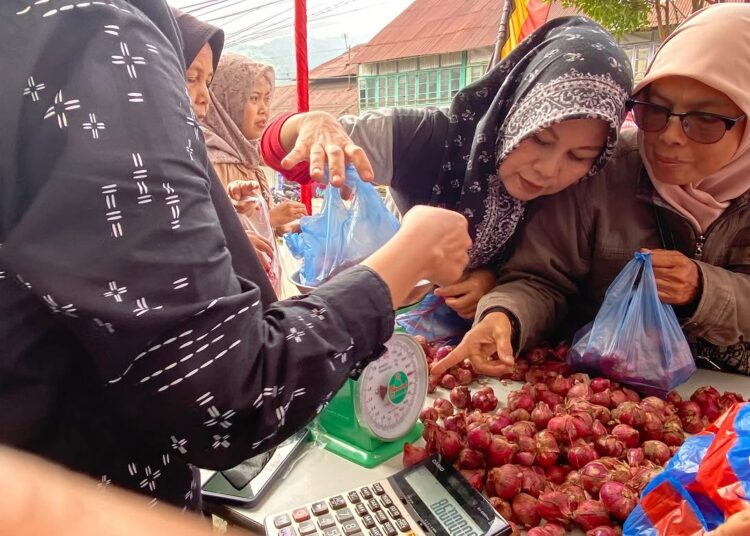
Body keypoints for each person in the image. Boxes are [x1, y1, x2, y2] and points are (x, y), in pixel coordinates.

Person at [0, 0, 471, 509]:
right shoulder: (94, 39)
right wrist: (406, 258)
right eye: (188, 77)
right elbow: (223, 397)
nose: (196, 96)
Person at [432, 3, 750, 379]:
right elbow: (540, 280)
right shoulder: (600, 170)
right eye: (655, 109)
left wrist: (703, 290)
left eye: (706, 120)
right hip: (601, 394)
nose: (669, 136)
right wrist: (504, 318)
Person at [261, 16, 633, 320]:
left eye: (579, 156)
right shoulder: (429, 138)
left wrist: (492, 281)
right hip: (385, 326)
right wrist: (313, 123)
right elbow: (285, 154)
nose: (550, 170)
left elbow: (549, 279)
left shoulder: (577, 193)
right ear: (515, 109)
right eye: (540, 139)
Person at [172, 8, 279, 289]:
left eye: (207, 82)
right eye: (192, 79)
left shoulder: (244, 160)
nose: (204, 96)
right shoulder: (205, 160)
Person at [203, 52, 307, 237]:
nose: (263, 109)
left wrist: (287, 226)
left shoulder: (248, 158)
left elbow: (264, 230)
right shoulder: (209, 164)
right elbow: (210, 236)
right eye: (253, 98)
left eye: (267, 98)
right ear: (226, 103)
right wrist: (270, 218)